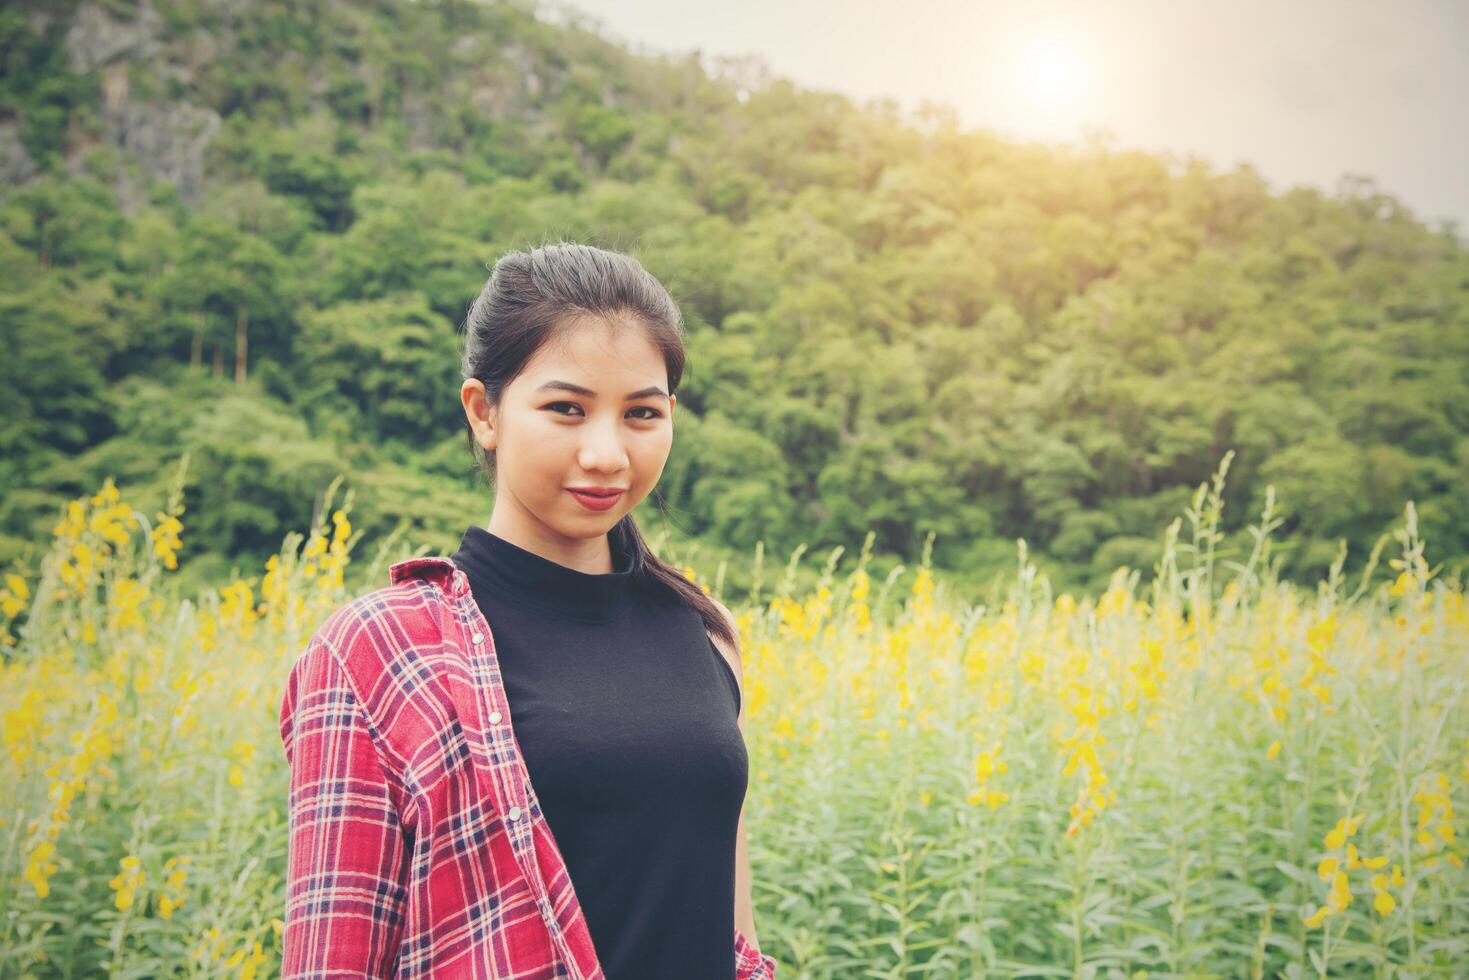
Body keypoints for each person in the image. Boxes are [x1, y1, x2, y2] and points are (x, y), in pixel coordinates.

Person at [278, 242, 778, 979]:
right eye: (566, 409)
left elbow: (735, 938)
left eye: (640, 413)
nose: (607, 453)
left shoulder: (704, 631)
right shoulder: (377, 650)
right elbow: (332, 958)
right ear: (484, 412)